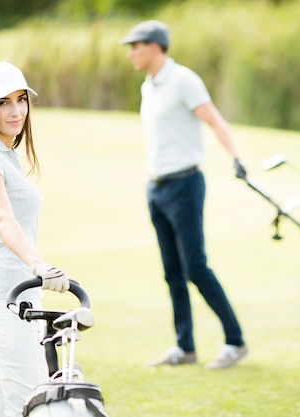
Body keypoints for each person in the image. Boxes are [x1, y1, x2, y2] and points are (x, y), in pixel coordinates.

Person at [120, 20, 249, 370]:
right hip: (157, 189)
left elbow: (215, 121)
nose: (130, 53)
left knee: (196, 268)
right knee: (172, 271)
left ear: (155, 47)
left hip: (185, 186)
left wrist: (235, 157)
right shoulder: (149, 86)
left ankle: (235, 342)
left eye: (135, 46)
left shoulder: (183, 81)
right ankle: (184, 347)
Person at [0, 61, 71, 417]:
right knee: (33, 407)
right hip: (5, 307)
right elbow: (2, 218)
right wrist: (38, 264)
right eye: (4, 102)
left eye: (21, 99)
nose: (16, 110)